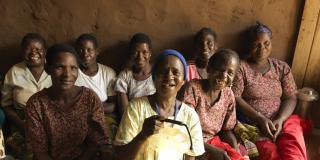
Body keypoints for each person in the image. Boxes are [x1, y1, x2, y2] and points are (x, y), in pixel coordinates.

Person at [232, 22, 308, 160]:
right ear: (249, 46)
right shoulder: (241, 68)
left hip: (283, 120)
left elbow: (290, 97)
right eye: (257, 44)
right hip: (253, 123)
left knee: (294, 153)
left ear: (271, 43)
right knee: (270, 154)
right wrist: (259, 118)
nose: (262, 48)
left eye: (266, 43)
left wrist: (280, 119)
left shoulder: (281, 67)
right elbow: (236, 97)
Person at [114, 49, 205, 160]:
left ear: (183, 81)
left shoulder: (190, 116)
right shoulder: (136, 108)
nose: (169, 76)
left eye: (176, 73)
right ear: (154, 77)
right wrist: (142, 135)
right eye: (163, 71)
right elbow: (120, 156)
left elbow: (190, 157)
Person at [25, 44, 111, 160]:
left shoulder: (89, 98)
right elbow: (39, 151)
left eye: (73, 68)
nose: (67, 74)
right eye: (60, 67)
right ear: (48, 69)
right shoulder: (36, 104)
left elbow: (96, 142)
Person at [182, 49, 245, 160]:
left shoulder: (228, 94)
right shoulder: (193, 88)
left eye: (230, 73)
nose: (224, 75)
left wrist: (235, 151)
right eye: (220, 69)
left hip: (212, 142)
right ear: (209, 68)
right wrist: (211, 150)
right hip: (188, 143)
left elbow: (226, 129)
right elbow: (183, 130)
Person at [1, 33, 51, 159]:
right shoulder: (14, 72)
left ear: (45, 51)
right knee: (27, 153)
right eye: (28, 49)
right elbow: (6, 105)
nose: (33, 53)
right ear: (22, 51)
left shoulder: (55, 68)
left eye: (38, 49)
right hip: (22, 120)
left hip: (52, 120)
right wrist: (20, 124)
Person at [74, 34, 118, 141]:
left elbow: (113, 106)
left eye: (89, 50)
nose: (85, 54)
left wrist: (89, 109)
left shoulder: (108, 73)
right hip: (78, 118)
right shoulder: (72, 72)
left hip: (104, 117)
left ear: (97, 52)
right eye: (81, 50)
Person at [114, 33, 156, 114]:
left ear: (150, 53)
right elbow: (124, 111)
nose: (140, 57)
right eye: (136, 52)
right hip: (133, 119)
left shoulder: (158, 73)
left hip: (155, 118)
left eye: (145, 52)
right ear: (131, 53)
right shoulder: (125, 76)